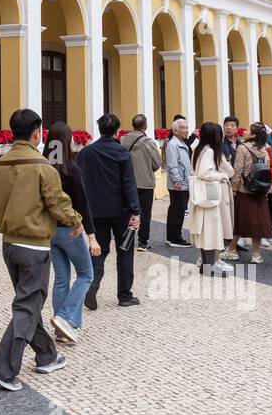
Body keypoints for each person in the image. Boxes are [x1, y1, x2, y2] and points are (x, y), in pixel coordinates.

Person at [0, 108, 76, 391]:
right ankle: (2, 368)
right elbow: (57, 203)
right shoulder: (42, 165)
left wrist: (8, 221)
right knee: (27, 304)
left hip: (10, 245)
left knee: (28, 301)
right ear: (37, 132)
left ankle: (47, 355)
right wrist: (76, 221)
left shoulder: (0, 165)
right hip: (34, 247)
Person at [77, 114, 142, 310]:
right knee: (125, 251)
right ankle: (124, 295)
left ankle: (92, 285)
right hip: (120, 210)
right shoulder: (122, 153)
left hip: (95, 210)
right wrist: (135, 211)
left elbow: (80, 182)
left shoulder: (86, 153)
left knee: (98, 250)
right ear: (117, 131)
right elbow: (129, 184)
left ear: (99, 129)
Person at [42, 122, 99, 341]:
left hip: (50, 230)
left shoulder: (45, 167)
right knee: (86, 274)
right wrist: (92, 237)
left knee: (62, 279)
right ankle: (66, 318)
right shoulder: (71, 169)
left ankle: (61, 330)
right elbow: (83, 204)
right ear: (67, 141)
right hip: (70, 230)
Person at [189, 122, 235, 275]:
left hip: (202, 195)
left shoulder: (199, 149)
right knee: (210, 229)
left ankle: (207, 264)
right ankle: (211, 265)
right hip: (209, 194)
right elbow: (205, 174)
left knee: (205, 230)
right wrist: (221, 176)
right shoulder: (209, 152)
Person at [230, 123, 272, 264]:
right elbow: (267, 170)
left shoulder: (243, 148)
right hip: (259, 191)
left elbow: (237, 170)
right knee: (258, 223)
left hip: (244, 190)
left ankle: (231, 250)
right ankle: (256, 254)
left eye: (248, 129)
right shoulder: (264, 150)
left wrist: (233, 188)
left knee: (238, 221)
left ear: (253, 134)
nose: (245, 130)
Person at [118, 114, 162, 250]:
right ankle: (143, 241)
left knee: (126, 211)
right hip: (145, 182)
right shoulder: (149, 142)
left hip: (126, 182)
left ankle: (125, 238)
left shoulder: (123, 140)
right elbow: (157, 163)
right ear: (145, 126)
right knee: (145, 212)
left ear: (133, 125)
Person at [164, 117, 193, 247]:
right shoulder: (173, 144)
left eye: (186, 128)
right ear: (175, 131)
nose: (186, 130)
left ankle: (172, 237)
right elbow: (172, 165)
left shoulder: (181, 143)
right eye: (183, 128)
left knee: (176, 210)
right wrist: (178, 181)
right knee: (178, 211)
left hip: (183, 182)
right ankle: (176, 238)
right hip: (179, 184)